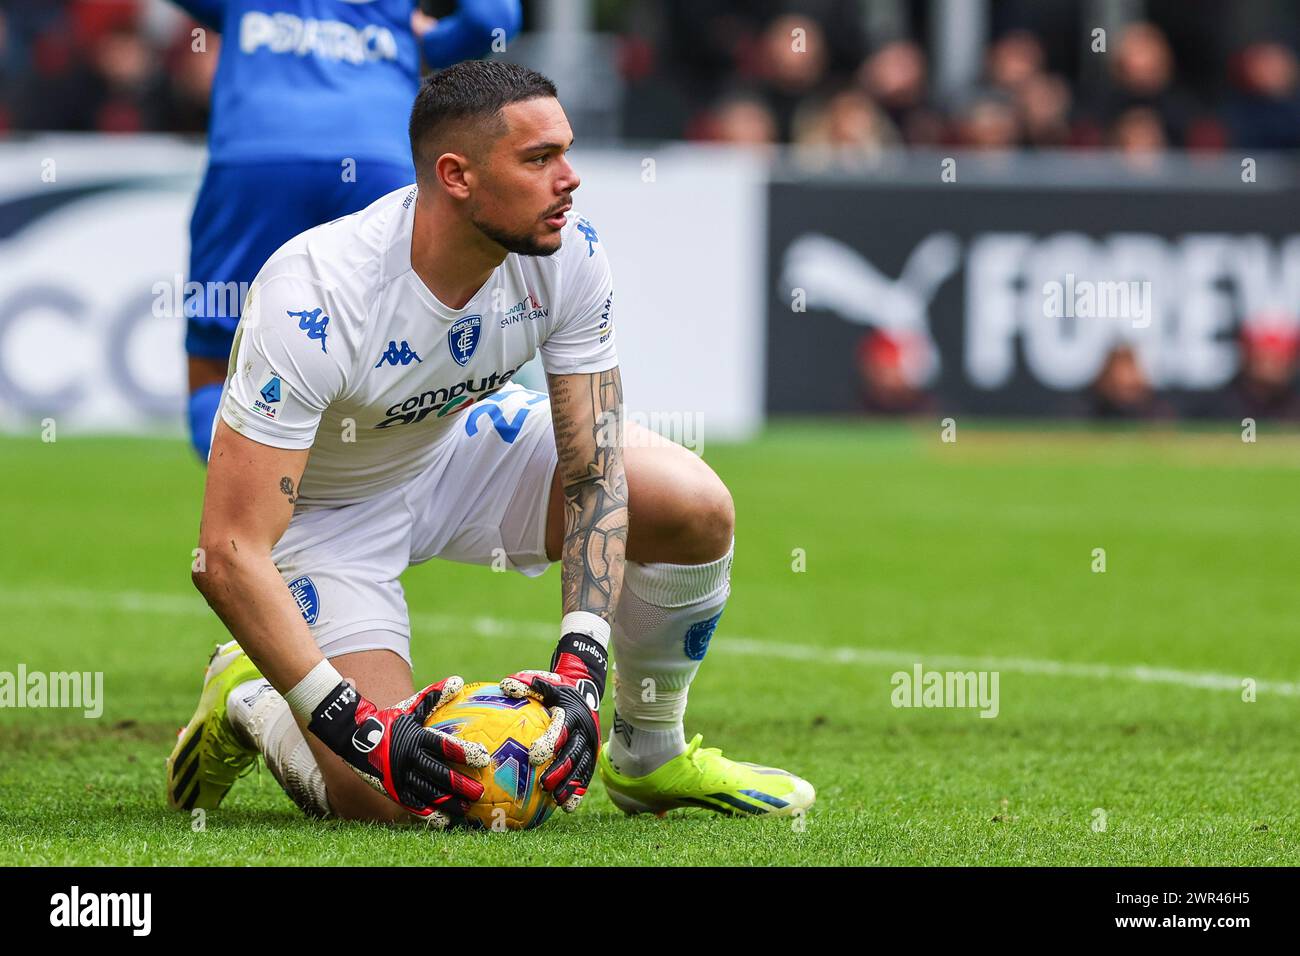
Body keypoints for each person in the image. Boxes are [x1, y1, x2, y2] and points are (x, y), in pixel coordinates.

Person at [166, 61, 816, 826]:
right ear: (457, 176)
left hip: (457, 445)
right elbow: (230, 550)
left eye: (565, 152)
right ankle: (253, 698)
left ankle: (649, 756)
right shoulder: (313, 295)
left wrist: (580, 669)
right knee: (398, 802)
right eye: (539, 159)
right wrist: (356, 728)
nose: (568, 179)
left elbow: (595, 471)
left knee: (691, 503)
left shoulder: (569, 251)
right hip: (328, 512)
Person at [168, 0, 521, 461]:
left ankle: (251, 511)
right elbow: (490, 21)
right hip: (378, 159)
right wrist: (422, 40)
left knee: (219, 364)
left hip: (258, 158)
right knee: (410, 355)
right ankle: (375, 503)